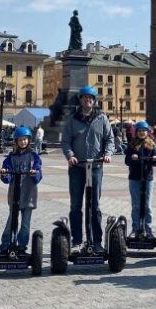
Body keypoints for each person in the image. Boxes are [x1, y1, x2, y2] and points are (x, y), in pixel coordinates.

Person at [61, 85, 115, 253]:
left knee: (95, 205)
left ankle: (96, 241)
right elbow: (65, 142)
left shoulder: (102, 118)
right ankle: (77, 241)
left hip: (96, 166)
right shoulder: (72, 119)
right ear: (81, 100)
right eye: (85, 98)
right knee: (76, 205)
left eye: (90, 98)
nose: (88, 100)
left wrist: (107, 153)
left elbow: (110, 139)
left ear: (94, 101)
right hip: (77, 167)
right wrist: (70, 156)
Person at [0, 126, 42, 255]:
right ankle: (6, 245)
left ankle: (22, 247)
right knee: (11, 220)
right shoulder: (11, 157)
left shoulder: (34, 156)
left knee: (26, 223)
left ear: (29, 140)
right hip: (15, 194)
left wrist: (35, 173)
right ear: (16, 141)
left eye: (25, 139)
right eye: (20, 140)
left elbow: (38, 172)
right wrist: (4, 173)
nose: (23, 142)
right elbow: (7, 176)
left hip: (29, 195)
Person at [124, 120, 156, 239]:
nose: (142, 133)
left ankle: (148, 229)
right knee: (136, 205)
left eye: (144, 131)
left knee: (147, 205)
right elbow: (126, 161)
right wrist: (131, 157)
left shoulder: (152, 144)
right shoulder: (132, 145)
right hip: (134, 178)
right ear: (136, 132)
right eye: (139, 131)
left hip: (148, 178)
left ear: (147, 132)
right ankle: (135, 228)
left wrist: (155, 158)